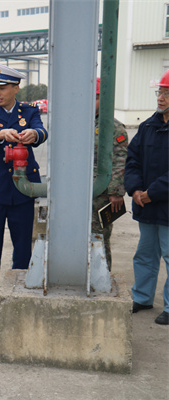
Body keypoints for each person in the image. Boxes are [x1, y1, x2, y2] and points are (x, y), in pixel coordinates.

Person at [0, 64, 48, 314]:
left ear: (16, 88)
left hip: (23, 189)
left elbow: (41, 130)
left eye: (2, 88)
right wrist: (0, 133)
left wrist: (33, 134)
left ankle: (21, 294)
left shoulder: (29, 110)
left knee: (23, 247)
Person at [124, 69, 169, 326]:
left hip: (163, 204)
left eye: (166, 93)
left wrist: (153, 193)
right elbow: (132, 161)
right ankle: (142, 297)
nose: (161, 98)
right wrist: (136, 190)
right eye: (159, 92)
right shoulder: (148, 126)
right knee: (145, 254)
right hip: (147, 205)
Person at [92, 77, 129, 270]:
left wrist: (116, 192)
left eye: (96, 97)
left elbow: (120, 160)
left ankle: (102, 278)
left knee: (100, 237)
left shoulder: (114, 128)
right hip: (80, 193)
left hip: (103, 196)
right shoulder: (79, 124)